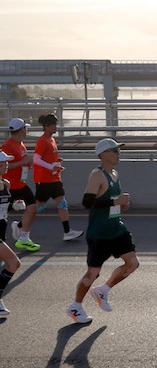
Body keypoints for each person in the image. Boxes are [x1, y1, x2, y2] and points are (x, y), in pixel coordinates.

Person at [67, 139, 138, 324]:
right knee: (93, 273)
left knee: (132, 263)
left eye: (118, 150)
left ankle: (103, 290)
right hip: (99, 233)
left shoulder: (114, 173)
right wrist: (115, 202)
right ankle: (75, 306)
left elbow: (111, 201)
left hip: (116, 228)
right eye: (114, 151)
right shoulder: (97, 175)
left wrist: (121, 204)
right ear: (103, 154)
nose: (118, 153)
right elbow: (87, 202)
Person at [33, 114, 83, 241]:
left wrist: (56, 160)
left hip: (55, 179)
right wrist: (51, 166)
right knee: (38, 207)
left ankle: (67, 232)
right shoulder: (42, 141)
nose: (56, 127)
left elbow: (47, 157)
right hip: (44, 180)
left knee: (62, 203)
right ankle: (20, 225)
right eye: (53, 124)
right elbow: (36, 159)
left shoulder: (52, 140)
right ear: (46, 126)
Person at [4, 118, 40, 251]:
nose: (27, 130)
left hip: (20, 184)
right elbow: (5, 166)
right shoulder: (8, 145)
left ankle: (24, 239)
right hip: (9, 186)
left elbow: (22, 162)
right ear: (22, 130)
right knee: (2, 214)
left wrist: (28, 163)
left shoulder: (20, 144)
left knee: (32, 208)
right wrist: (23, 162)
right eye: (26, 128)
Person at [0, 150, 22, 317]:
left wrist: (15, 205)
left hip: (2, 230)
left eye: (7, 161)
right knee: (13, 263)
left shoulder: (5, 183)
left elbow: (4, 206)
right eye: (2, 162)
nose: (6, 164)